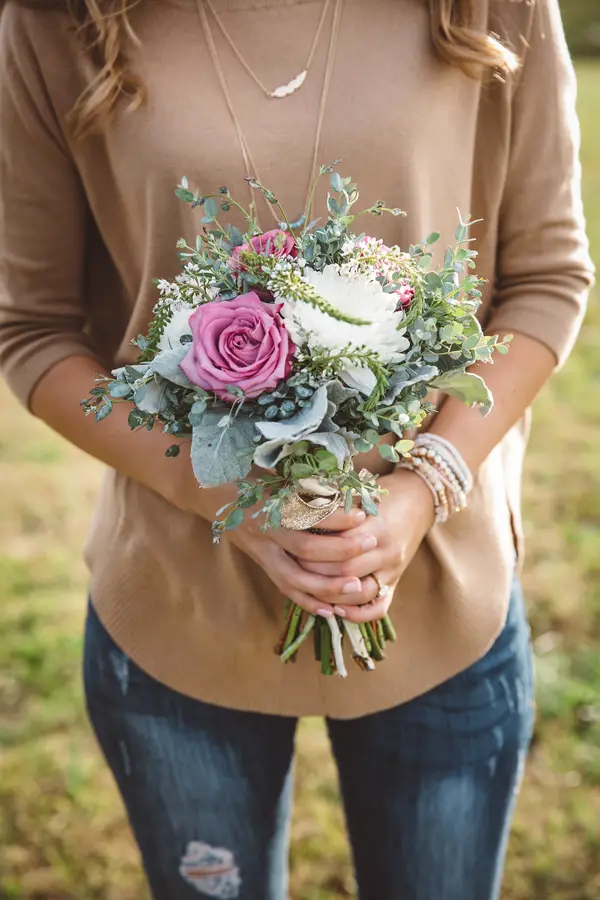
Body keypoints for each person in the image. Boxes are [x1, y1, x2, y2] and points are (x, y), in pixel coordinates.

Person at [0, 0, 593, 897]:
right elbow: (32, 331)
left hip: (442, 597)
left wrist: (422, 489)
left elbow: (547, 280)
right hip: (178, 607)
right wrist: (227, 501)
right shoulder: (58, 20)